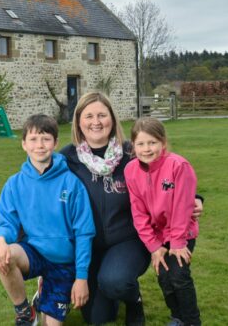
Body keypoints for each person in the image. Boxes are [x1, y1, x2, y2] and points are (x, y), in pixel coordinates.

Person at [60, 92, 203, 326]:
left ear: (113, 120)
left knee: (116, 281)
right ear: (78, 122)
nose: (96, 122)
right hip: (89, 244)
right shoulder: (67, 158)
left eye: (102, 115)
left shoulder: (132, 152)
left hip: (128, 240)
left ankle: (133, 300)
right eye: (89, 116)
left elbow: (167, 176)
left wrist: (196, 198)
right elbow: (43, 185)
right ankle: (110, 291)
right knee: (98, 317)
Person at [0, 114, 96, 326]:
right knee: (6, 254)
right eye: (33, 139)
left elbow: (84, 233)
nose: (39, 145)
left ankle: (46, 294)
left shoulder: (72, 183)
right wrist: (0, 240)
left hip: (63, 262)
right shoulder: (14, 184)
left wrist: (82, 277)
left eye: (46, 139)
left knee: (52, 324)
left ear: (56, 143)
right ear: (23, 144)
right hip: (34, 254)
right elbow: (8, 223)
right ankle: (24, 312)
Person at [124, 117, 201, 326]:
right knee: (164, 278)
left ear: (163, 143)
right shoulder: (130, 170)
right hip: (157, 237)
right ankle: (177, 317)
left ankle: (192, 321)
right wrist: (154, 246)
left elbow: (183, 207)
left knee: (179, 276)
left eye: (152, 143)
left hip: (181, 233)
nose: (146, 149)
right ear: (133, 146)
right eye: (140, 144)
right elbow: (138, 212)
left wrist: (177, 242)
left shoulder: (178, 166)